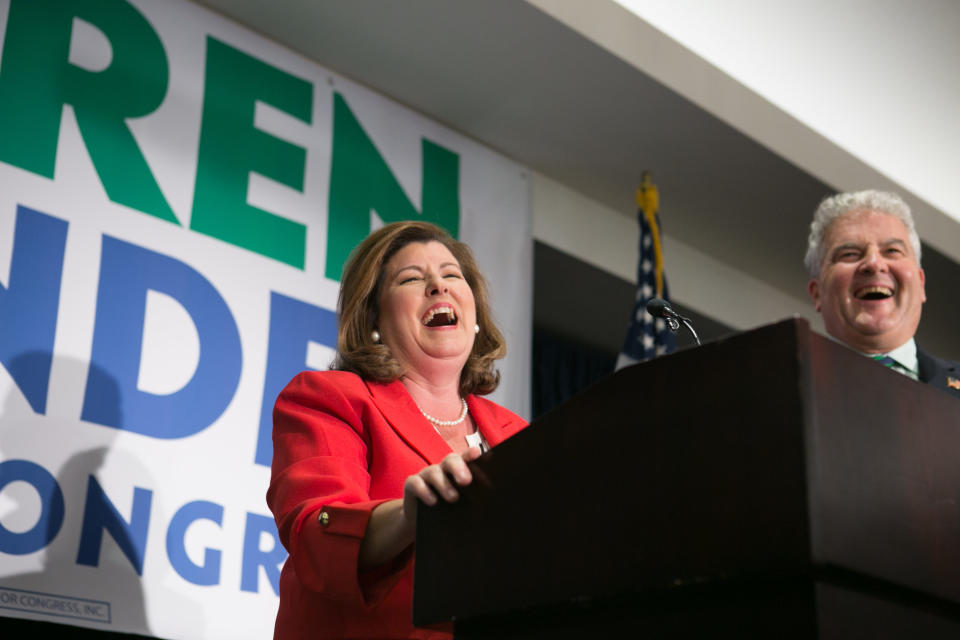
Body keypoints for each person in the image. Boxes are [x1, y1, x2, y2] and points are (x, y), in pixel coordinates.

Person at [267, 221, 527, 639]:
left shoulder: (516, 433)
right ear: (374, 317)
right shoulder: (328, 399)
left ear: (475, 313)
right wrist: (410, 516)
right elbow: (316, 534)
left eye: (451, 275)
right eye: (412, 279)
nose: (438, 287)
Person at [805, 189, 960, 397]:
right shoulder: (779, 386)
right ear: (817, 294)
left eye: (892, 251)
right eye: (850, 254)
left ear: (921, 284)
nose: (873, 263)